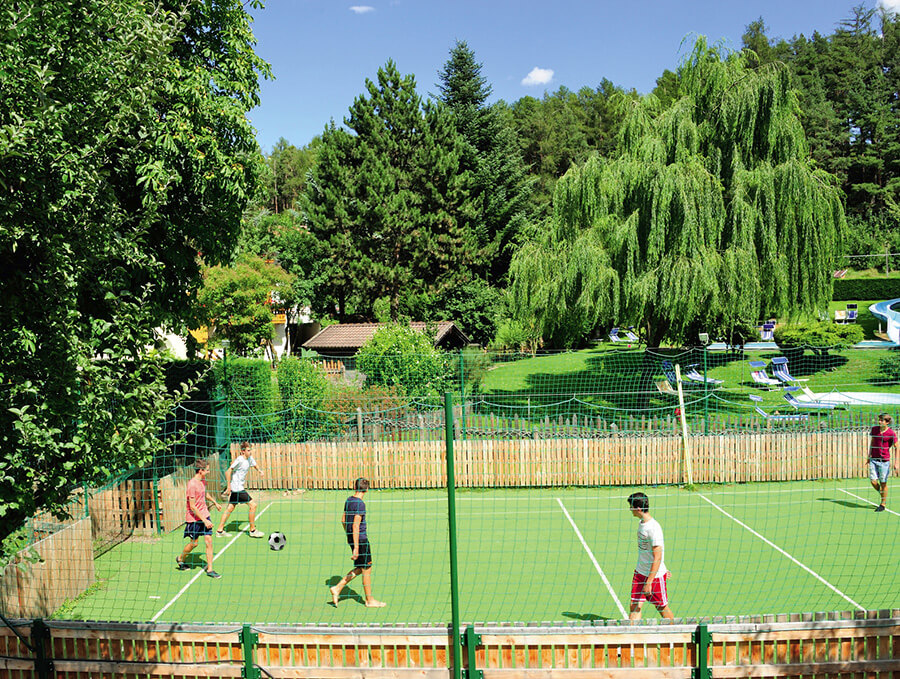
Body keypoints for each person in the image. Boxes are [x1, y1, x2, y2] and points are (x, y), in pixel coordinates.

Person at [329, 478, 386, 608]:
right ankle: (369, 600)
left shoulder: (349, 500)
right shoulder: (360, 504)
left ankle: (337, 588)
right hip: (360, 540)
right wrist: (356, 547)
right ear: (366, 489)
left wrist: (349, 536)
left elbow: (343, 520)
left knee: (361, 567)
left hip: (352, 537)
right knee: (367, 568)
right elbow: (356, 526)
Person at [627, 492, 673, 621]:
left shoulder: (654, 528)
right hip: (640, 572)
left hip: (654, 577)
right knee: (634, 606)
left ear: (638, 509)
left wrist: (649, 581)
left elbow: (657, 556)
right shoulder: (642, 523)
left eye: (631, 506)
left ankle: (676, 634)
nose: (630, 509)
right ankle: (632, 639)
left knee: (661, 607)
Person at [176, 458, 223, 578]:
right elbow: (192, 507)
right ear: (200, 470)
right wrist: (204, 520)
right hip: (194, 519)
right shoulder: (191, 485)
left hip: (205, 515)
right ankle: (181, 558)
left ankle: (210, 569)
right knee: (194, 543)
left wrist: (215, 502)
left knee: (209, 541)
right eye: (207, 470)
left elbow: (204, 493)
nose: (208, 471)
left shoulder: (203, 480)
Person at [217, 441, 265, 537]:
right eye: (248, 450)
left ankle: (219, 531)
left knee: (230, 508)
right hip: (237, 488)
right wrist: (229, 487)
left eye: (250, 450)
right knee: (253, 505)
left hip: (238, 488)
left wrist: (259, 471)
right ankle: (252, 530)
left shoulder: (249, 458)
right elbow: (228, 471)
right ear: (243, 451)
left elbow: (255, 464)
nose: (250, 452)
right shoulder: (239, 460)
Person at [869, 413, 897, 512]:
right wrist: (869, 455)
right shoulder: (875, 429)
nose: (879, 421)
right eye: (879, 419)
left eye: (882, 420)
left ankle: (883, 504)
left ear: (887, 422)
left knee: (883, 482)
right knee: (873, 481)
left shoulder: (891, 433)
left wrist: (897, 462)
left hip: (884, 461)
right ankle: (882, 492)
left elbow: (897, 447)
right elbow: (872, 442)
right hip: (873, 459)